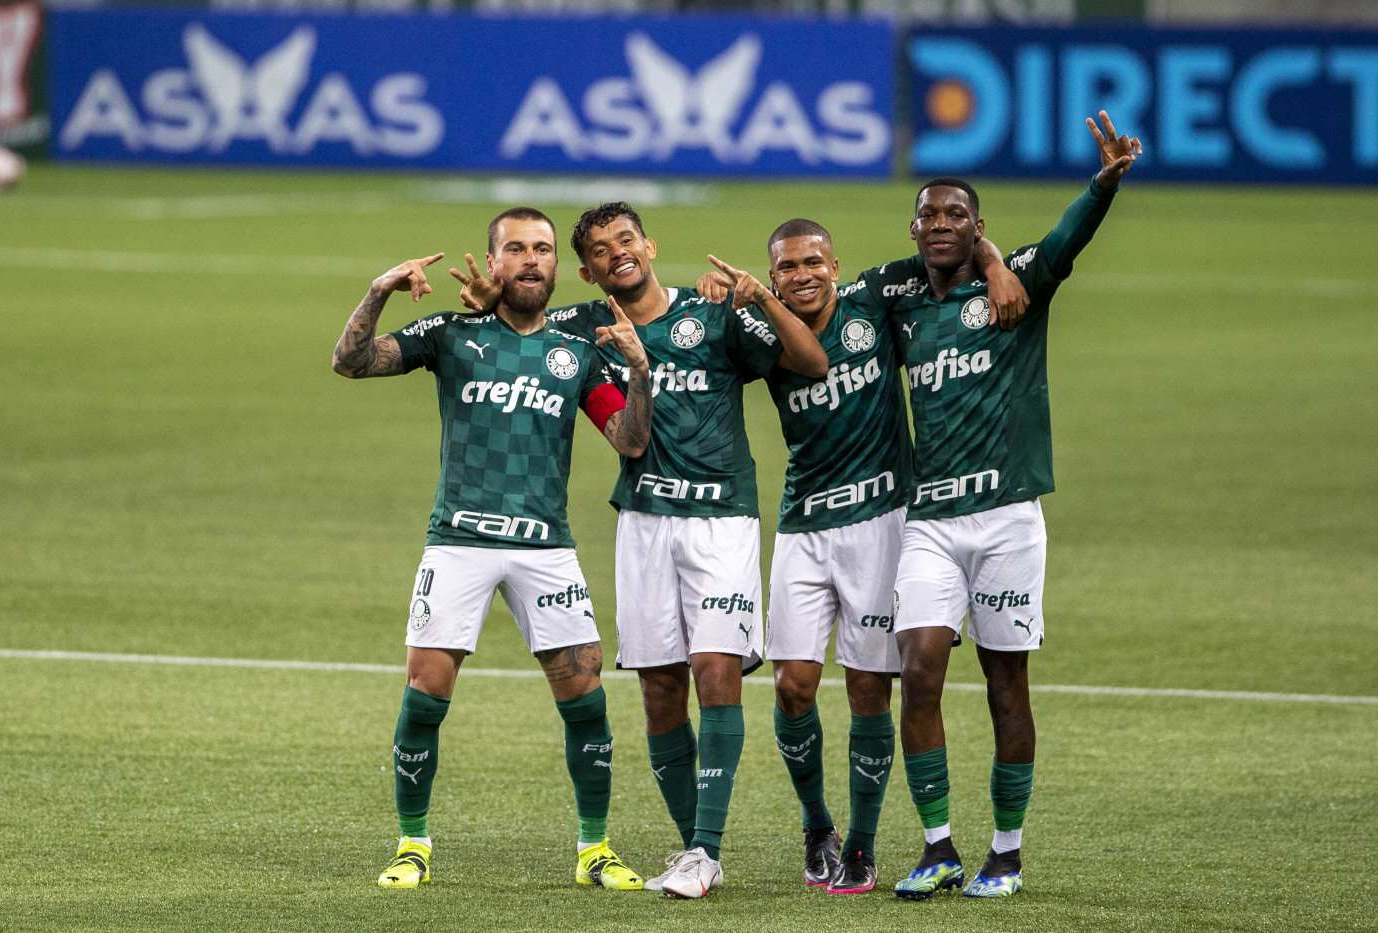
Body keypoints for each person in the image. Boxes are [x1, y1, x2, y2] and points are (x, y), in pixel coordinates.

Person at [457, 201, 829, 898]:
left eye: (626, 239)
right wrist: (483, 305)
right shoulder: (584, 331)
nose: (617, 253)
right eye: (600, 249)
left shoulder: (711, 314)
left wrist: (757, 298)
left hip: (721, 519)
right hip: (643, 522)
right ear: (587, 269)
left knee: (715, 671)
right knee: (660, 688)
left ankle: (707, 850)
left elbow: (811, 362)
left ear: (648, 245)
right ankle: (696, 851)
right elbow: (516, 316)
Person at [695, 224, 1025, 895]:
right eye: (786, 267)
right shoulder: (761, 330)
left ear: (836, 266)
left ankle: (862, 842)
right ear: (774, 274)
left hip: (882, 519)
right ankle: (817, 824)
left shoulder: (876, 298)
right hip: (803, 523)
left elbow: (948, 250)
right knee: (791, 685)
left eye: (814, 261)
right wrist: (717, 297)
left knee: (870, 685)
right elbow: (805, 357)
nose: (802, 274)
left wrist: (991, 263)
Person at [331, 207, 654, 891]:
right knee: (425, 693)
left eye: (542, 248)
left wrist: (640, 373)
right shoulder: (452, 333)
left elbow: (627, 439)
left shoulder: (577, 342)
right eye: (515, 248)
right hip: (459, 542)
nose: (531, 259)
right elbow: (350, 361)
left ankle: (594, 848)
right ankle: (411, 842)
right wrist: (380, 288)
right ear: (493, 262)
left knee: (586, 699)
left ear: (556, 266)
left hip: (546, 548)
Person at [864, 111, 1141, 900]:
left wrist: (1102, 185)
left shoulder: (1021, 280)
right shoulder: (898, 299)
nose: (941, 224)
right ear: (913, 227)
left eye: (958, 216)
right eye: (929, 215)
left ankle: (1007, 853)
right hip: (931, 522)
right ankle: (939, 846)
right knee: (916, 671)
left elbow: (1064, 242)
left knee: (1004, 685)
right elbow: (824, 300)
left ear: (977, 225)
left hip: (1009, 518)